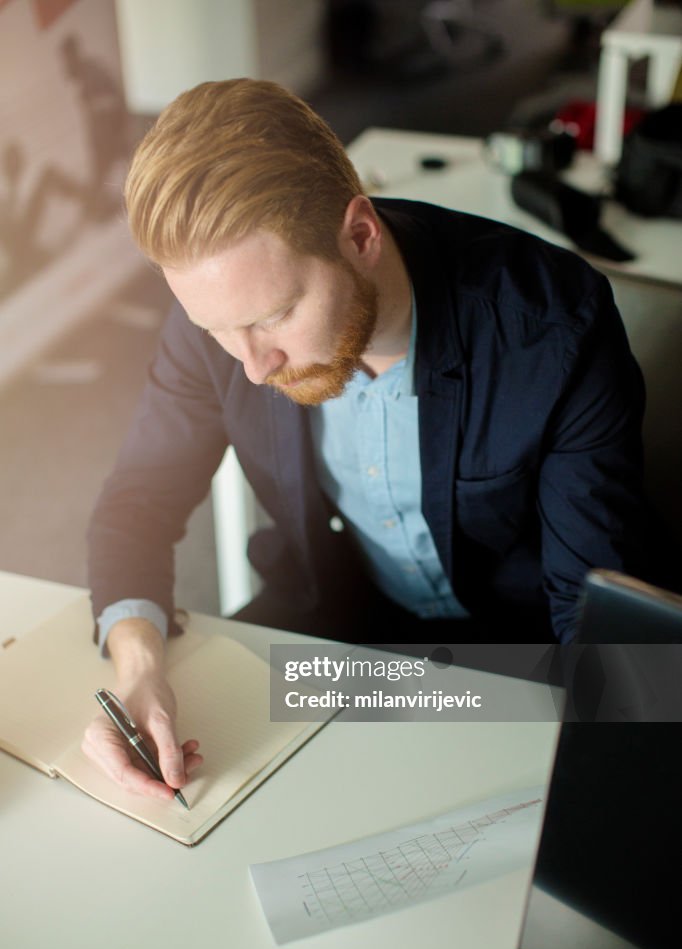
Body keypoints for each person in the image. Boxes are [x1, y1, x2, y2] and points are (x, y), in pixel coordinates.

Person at [83, 77, 657, 801]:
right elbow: (139, 502)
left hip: (523, 658)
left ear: (360, 234)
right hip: (332, 633)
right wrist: (137, 672)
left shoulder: (551, 330)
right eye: (216, 330)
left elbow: (594, 617)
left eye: (275, 315)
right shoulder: (224, 324)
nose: (253, 366)